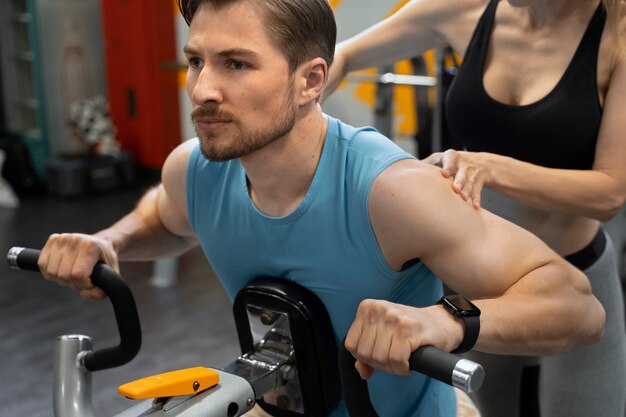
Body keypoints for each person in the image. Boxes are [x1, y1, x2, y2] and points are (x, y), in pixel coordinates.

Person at [37, 1, 606, 416]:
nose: (203, 89)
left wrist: (442, 320)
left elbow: (576, 305)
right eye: (196, 62)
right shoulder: (195, 169)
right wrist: (112, 240)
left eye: (236, 64)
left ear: (312, 80)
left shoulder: (391, 192)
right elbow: (165, 218)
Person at [324, 0, 626, 416]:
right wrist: (296, 105)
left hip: (578, 276)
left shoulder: (617, 34)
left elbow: (610, 193)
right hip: (481, 276)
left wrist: (491, 166)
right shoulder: (465, 8)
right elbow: (344, 56)